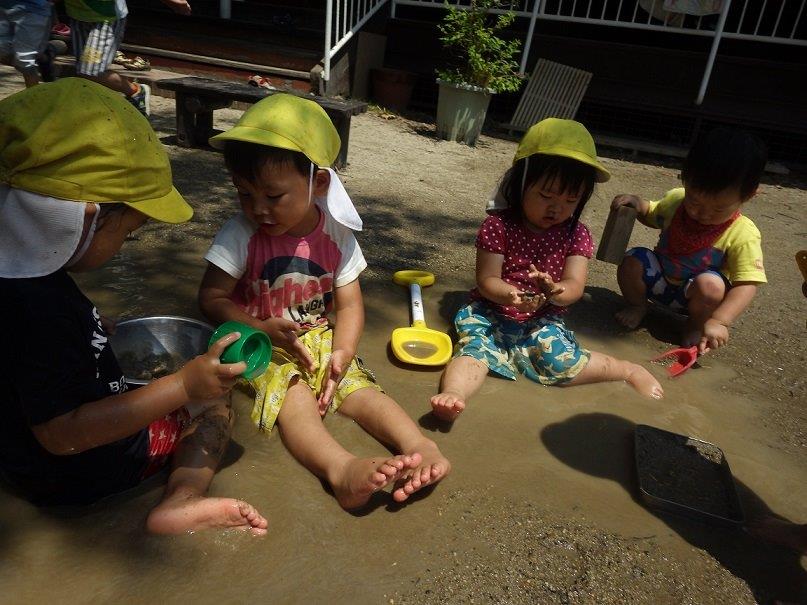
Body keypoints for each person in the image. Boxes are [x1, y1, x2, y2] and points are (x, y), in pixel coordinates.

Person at [0, 78, 267, 536]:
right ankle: (182, 499)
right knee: (215, 403)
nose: (123, 246)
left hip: (18, 459)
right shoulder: (42, 312)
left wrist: (90, 325)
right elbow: (64, 434)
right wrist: (185, 385)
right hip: (85, 473)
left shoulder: (21, 277)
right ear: (84, 218)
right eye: (126, 233)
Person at [198, 94, 451, 509]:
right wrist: (260, 327)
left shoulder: (336, 236)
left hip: (318, 339)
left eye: (273, 196)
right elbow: (210, 298)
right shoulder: (241, 233)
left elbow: (350, 306)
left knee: (360, 389)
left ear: (318, 183)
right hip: (260, 344)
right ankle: (340, 469)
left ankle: (420, 446)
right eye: (244, 193)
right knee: (292, 394)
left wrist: (342, 351)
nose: (257, 208)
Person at [431, 118, 664, 422]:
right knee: (475, 350)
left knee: (562, 363)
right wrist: (508, 293)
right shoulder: (498, 225)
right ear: (521, 182)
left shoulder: (576, 234)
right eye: (546, 195)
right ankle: (456, 395)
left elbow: (575, 285)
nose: (556, 208)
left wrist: (556, 292)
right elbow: (486, 279)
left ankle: (627, 369)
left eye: (571, 199)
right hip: (490, 312)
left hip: (542, 319)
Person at [612, 127, 767, 353]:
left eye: (718, 209)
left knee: (712, 286)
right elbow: (653, 213)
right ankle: (638, 305)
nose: (702, 213)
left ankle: (694, 325)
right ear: (685, 177)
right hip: (659, 280)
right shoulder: (677, 201)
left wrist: (720, 321)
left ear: (749, 195)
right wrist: (638, 204)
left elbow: (747, 284)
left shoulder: (743, 233)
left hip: (697, 298)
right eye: (694, 201)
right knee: (632, 260)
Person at [65, 0, 191, 116]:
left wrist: (174, 1)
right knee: (84, 71)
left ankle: (135, 91)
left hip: (105, 18)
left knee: (90, 71)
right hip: (78, 16)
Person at [0, 0, 52, 87]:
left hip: (33, 10)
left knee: (25, 61)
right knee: (3, 52)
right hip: (3, 7)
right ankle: (43, 56)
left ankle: (34, 98)